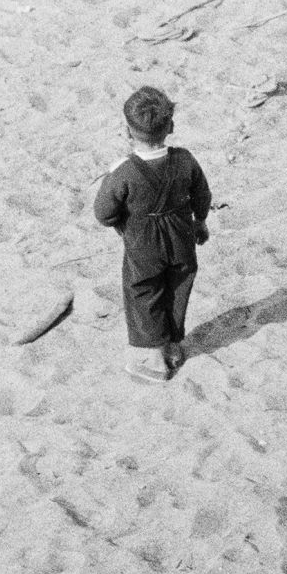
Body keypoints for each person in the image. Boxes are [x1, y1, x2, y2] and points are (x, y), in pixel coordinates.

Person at [94, 86, 212, 383]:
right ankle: (173, 344)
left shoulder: (122, 172)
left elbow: (104, 213)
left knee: (144, 291)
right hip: (181, 234)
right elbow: (202, 194)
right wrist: (200, 222)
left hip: (143, 241)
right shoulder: (185, 159)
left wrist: (123, 224)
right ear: (170, 126)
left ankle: (154, 358)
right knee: (178, 285)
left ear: (127, 131)